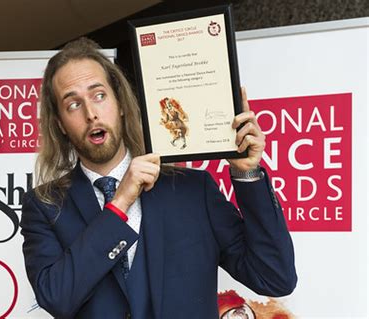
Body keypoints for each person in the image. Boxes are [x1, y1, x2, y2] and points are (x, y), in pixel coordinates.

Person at [20, 37, 297, 319]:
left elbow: (274, 276)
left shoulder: (193, 191)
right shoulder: (44, 206)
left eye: (99, 95)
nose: (91, 113)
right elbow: (56, 298)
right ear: (60, 126)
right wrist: (120, 203)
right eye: (73, 105)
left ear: (121, 104)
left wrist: (246, 173)